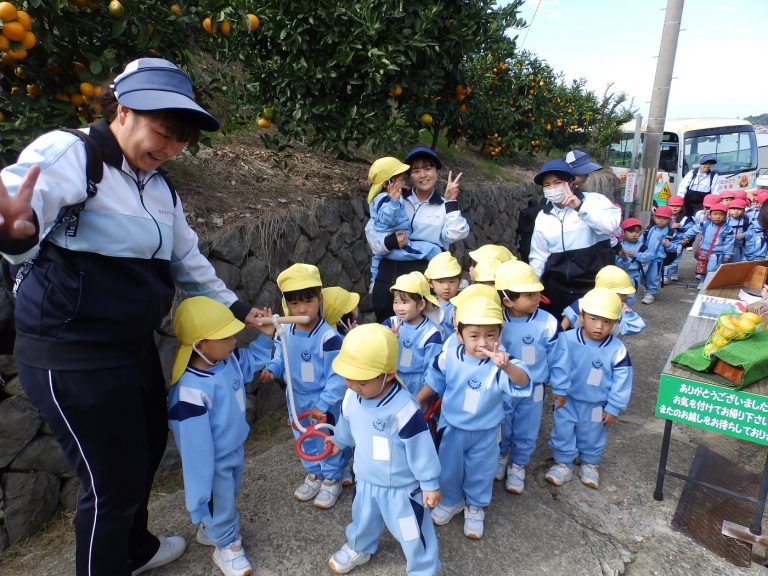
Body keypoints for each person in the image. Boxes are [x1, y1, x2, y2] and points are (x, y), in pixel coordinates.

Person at [0, 58, 269, 576]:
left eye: (181, 141)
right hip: (70, 355)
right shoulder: (74, 155)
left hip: (130, 349)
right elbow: (20, 209)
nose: (169, 149)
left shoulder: (160, 188)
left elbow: (187, 259)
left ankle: (135, 550)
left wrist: (238, 309)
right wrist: (15, 230)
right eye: (163, 134)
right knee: (110, 485)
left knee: (143, 457)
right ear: (123, 109)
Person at [168, 297, 274, 576]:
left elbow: (253, 360)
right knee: (220, 499)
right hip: (212, 461)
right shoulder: (189, 391)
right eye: (225, 337)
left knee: (228, 495)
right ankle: (227, 546)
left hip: (234, 449)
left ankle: (211, 527)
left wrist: (266, 337)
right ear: (200, 345)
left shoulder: (228, 360)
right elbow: (195, 448)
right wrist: (199, 491)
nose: (234, 340)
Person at [327, 324, 442, 576]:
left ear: (388, 375)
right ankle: (359, 546)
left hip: (401, 488)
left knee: (411, 530)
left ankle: (423, 569)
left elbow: (421, 447)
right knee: (363, 519)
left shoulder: (404, 408)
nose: (353, 385)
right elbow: (347, 424)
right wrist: (338, 441)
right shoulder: (351, 397)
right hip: (366, 479)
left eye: (362, 380)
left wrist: (430, 482)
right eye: (348, 376)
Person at [416, 297, 531, 539]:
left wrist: (506, 367)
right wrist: (418, 400)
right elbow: (434, 381)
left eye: (491, 335)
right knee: (448, 467)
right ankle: (451, 500)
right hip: (452, 427)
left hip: (486, 430)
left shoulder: (501, 361)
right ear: (459, 334)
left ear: (500, 334)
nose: (483, 342)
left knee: (481, 469)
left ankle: (475, 506)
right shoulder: (448, 356)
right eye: (474, 335)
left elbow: (523, 381)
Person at [260, 263, 349, 509]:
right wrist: (272, 369)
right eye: (294, 303)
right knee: (303, 435)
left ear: (319, 300)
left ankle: (332, 477)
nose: (301, 309)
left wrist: (323, 404)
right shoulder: (285, 330)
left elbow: (338, 376)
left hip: (323, 401)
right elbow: (281, 357)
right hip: (295, 398)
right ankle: (314, 472)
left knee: (326, 437)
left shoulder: (329, 338)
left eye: (307, 301)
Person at [365, 146, 469, 322]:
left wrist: (451, 202)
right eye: (416, 170)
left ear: (436, 172)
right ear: (409, 176)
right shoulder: (395, 198)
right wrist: (391, 241)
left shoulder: (444, 206)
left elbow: (457, 233)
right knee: (386, 323)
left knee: (420, 328)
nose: (423, 175)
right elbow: (372, 233)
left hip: (424, 273)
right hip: (389, 272)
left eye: (428, 168)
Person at [544, 288, 633, 490]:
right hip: (567, 400)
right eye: (594, 319)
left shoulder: (617, 349)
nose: (600, 327)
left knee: (592, 433)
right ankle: (563, 463)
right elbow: (557, 366)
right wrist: (557, 389)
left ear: (616, 322)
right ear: (582, 316)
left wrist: (614, 407)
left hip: (596, 403)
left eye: (607, 322)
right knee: (562, 430)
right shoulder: (567, 339)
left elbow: (623, 379)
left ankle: (590, 463)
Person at [493, 260, 569, 494]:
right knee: (502, 423)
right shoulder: (496, 321)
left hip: (534, 388)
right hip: (504, 387)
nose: (536, 298)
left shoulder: (547, 322)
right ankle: (502, 455)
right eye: (528, 295)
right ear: (507, 300)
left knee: (527, 427)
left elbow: (559, 356)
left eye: (537, 292)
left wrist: (560, 386)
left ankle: (518, 465)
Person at [528, 159, 620, 321]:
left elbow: (609, 227)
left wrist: (579, 207)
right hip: (557, 289)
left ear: (570, 182)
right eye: (547, 185)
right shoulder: (543, 216)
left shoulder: (595, 201)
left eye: (557, 182)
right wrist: (532, 287)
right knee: (556, 337)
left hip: (593, 289)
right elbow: (538, 256)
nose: (552, 188)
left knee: (589, 338)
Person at [366, 157, 442, 286]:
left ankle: (373, 283)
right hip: (398, 245)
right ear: (387, 184)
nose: (404, 182)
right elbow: (386, 218)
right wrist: (395, 202)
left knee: (377, 260)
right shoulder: (387, 200)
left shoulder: (380, 198)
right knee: (434, 250)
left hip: (387, 247)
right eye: (401, 180)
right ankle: (440, 278)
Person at [381, 271, 443, 397]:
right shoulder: (390, 323)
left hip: (417, 386)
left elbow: (432, 371)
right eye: (396, 302)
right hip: (392, 381)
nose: (399, 308)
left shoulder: (430, 333)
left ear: (421, 305)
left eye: (404, 302)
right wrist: (388, 339)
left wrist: (421, 398)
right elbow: (377, 351)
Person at [561, 265, 646, 336]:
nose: (625, 297)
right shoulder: (583, 303)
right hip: (581, 345)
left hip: (607, 348)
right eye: (622, 294)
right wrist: (559, 339)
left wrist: (627, 314)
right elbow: (568, 318)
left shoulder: (619, 308)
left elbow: (637, 326)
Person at [680, 203, 734, 288]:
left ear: (725, 216)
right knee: (702, 268)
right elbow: (693, 229)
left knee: (711, 269)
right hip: (703, 251)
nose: (718, 217)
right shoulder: (705, 224)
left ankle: (708, 284)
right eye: (715, 214)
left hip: (717, 253)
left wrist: (727, 253)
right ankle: (702, 281)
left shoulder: (727, 228)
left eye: (721, 215)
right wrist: (686, 236)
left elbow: (729, 242)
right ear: (709, 215)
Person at [636, 205, 680, 305]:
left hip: (657, 260)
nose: (661, 220)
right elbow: (641, 241)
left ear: (669, 220)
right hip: (646, 258)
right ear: (654, 218)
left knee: (653, 277)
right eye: (659, 217)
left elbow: (675, 247)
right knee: (643, 276)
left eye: (664, 218)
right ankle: (647, 288)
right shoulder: (649, 229)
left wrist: (668, 244)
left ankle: (650, 293)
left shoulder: (671, 233)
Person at [423, 251, 462, 340]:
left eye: (452, 281)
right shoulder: (426, 304)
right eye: (440, 282)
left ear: (459, 283)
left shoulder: (459, 307)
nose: (446, 287)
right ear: (430, 283)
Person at [678, 154, 720, 218]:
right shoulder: (692, 173)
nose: (707, 166)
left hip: (702, 205)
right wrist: (680, 201)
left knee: (699, 218)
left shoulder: (714, 176)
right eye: (705, 163)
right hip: (687, 203)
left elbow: (715, 193)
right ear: (700, 164)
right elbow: (682, 188)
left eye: (709, 164)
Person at [663, 196, 693, 282]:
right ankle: (674, 273)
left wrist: (680, 226)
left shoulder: (685, 219)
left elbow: (691, 230)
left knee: (674, 258)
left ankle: (665, 276)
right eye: (672, 205)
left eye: (678, 206)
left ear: (682, 207)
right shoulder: (664, 216)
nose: (675, 208)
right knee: (669, 257)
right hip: (666, 241)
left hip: (679, 241)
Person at [725, 198, 751, 263]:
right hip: (726, 248)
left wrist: (744, 234)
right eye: (733, 209)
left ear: (743, 210)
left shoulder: (746, 221)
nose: (736, 211)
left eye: (739, 209)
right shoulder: (725, 221)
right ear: (729, 209)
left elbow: (752, 231)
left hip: (741, 248)